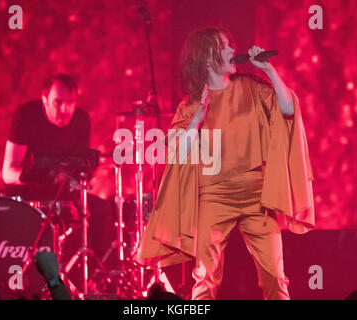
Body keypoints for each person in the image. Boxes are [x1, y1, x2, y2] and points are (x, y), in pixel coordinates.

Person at [135, 27, 315, 300]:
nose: (233, 50)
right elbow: (176, 154)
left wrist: (268, 70)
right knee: (205, 279)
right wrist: (196, 120)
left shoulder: (253, 88)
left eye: (231, 45)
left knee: (276, 277)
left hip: (257, 194)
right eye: (224, 47)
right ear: (207, 58)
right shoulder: (191, 104)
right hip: (214, 196)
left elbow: (289, 109)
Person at [2, 73, 90, 186]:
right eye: (58, 102)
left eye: (70, 102)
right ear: (44, 100)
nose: (64, 110)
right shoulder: (26, 115)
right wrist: (41, 179)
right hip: (29, 195)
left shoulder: (81, 120)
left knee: (101, 204)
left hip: (67, 197)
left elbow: (83, 171)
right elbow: (8, 173)